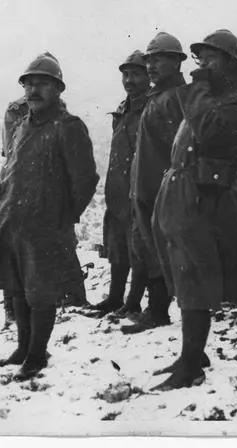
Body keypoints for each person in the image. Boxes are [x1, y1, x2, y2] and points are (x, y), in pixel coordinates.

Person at [152, 29, 237, 390]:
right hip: (180, 192)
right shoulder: (205, 97)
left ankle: (191, 367)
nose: (201, 64)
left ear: (231, 64)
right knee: (181, 273)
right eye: (200, 57)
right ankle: (192, 353)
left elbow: (209, 131)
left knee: (194, 277)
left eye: (210, 58)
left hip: (203, 199)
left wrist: (197, 88)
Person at [0, 52, 99, 381]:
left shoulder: (69, 127)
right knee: (16, 287)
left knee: (41, 292)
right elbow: (9, 174)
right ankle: (22, 347)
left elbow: (86, 180)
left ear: (58, 88)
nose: (33, 90)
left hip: (45, 226)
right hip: (12, 221)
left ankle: (36, 356)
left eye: (42, 84)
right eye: (28, 84)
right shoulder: (20, 126)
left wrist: (62, 216)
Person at [122, 32, 187, 334]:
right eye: (149, 60)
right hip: (146, 189)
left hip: (163, 190)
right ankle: (155, 309)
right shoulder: (157, 96)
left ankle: (159, 311)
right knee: (147, 248)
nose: (151, 65)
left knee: (161, 251)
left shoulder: (176, 98)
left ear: (177, 62)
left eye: (159, 59)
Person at [90, 51, 151, 317]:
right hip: (117, 188)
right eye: (126, 75)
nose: (129, 80)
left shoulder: (151, 107)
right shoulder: (124, 107)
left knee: (138, 247)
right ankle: (115, 298)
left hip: (139, 187)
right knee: (116, 245)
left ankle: (133, 301)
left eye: (136, 74)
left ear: (148, 77)